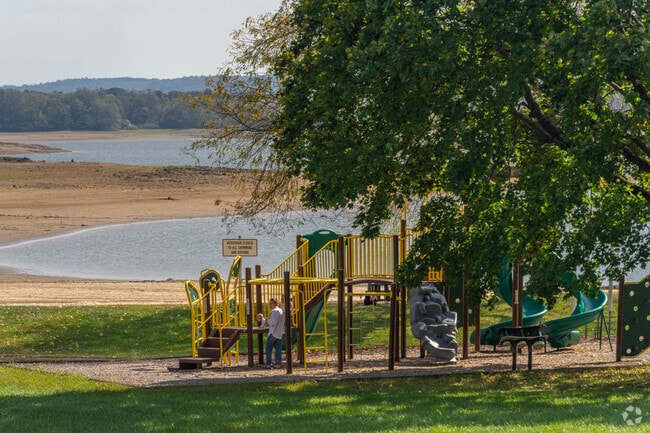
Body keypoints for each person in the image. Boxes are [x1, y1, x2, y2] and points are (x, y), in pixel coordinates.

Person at [258, 297, 285, 368]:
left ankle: (268, 364)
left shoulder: (274, 311)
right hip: (279, 333)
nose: (270, 305)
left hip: (273, 333)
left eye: (271, 303)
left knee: (268, 349)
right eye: (270, 303)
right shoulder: (281, 311)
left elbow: (273, 323)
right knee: (278, 349)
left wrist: (267, 321)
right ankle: (278, 363)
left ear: (275, 303)